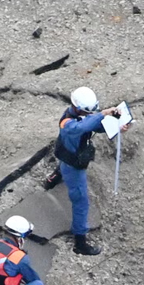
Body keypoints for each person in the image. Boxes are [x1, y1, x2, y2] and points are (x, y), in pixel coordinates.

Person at [55, 87, 130, 255]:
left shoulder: (79, 115)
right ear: (78, 108)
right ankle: (80, 242)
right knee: (81, 202)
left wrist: (117, 126)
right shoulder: (68, 125)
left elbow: (94, 125)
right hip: (73, 165)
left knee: (62, 167)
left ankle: (54, 177)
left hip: (67, 155)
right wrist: (102, 114)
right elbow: (83, 127)